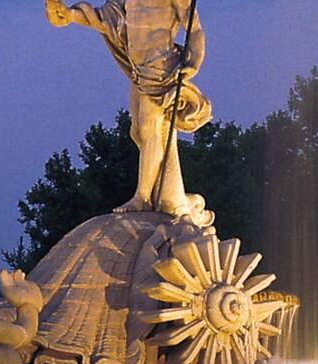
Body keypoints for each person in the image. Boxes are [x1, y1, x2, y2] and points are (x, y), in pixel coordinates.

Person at [46, 0, 212, 220]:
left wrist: (192, 62)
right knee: (137, 133)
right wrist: (69, 15)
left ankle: (142, 197)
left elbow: (195, 29)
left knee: (148, 131)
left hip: (161, 69)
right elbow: (107, 20)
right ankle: (175, 197)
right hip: (138, 71)